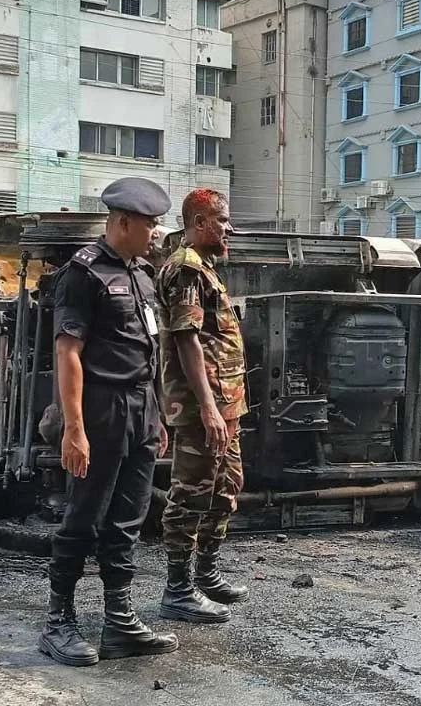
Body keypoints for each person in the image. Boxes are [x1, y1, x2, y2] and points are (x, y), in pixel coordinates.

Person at [39, 176, 178, 667]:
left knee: (128, 519)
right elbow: (68, 353)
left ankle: (119, 618)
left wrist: (157, 416)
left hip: (141, 410)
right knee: (83, 516)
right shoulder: (84, 273)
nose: (156, 232)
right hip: (99, 410)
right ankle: (60, 619)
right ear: (123, 222)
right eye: (150, 224)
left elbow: (148, 349)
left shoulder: (140, 274)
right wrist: (73, 429)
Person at [155, 189, 249, 624]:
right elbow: (185, 339)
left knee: (226, 487)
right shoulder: (186, 269)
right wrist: (208, 407)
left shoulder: (206, 269)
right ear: (197, 222)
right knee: (191, 493)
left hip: (225, 404)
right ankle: (177, 590)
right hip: (201, 409)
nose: (228, 228)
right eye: (222, 220)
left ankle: (205, 574)